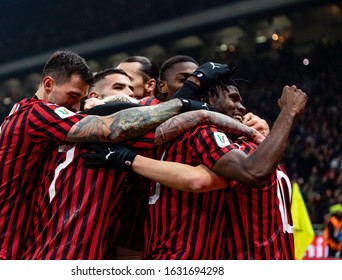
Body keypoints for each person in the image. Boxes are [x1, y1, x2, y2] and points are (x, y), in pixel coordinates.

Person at [0, 50, 212, 260]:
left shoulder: (39, 120)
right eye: (72, 96)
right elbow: (105, 127)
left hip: (11, 249)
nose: (75, 107)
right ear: (48, 84)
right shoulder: (37, 113)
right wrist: (186, 101)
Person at [21, 61, 263, 259]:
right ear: (93, 96)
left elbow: (166, 129)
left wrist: (249, 129)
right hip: (57, 255)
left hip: (124, 251)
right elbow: (125, 121)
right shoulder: (93, 125)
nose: (128, 94)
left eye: (130, 87)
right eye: (118, 87)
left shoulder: (138, 132)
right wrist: (196, 89)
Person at [96, 72, 307, 259]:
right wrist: (286, 114)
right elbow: (227, 175)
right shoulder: (202, 135)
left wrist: (129, 160)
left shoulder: (246, 147)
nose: (242, 107)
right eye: (233, 98)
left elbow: (202, 179)